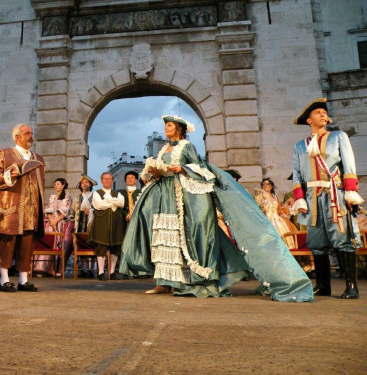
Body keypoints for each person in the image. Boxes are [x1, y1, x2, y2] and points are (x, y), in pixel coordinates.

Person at [120, 115, 313, 302]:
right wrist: (155, 171)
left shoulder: (187, 146)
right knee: (163, 238)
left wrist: (182, 169)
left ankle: (188, 281)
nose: (166, 129)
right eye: (166, 126)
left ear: (178, 128)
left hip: (182, 195)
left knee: (183, 236)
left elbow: (200, 168)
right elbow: (160, 169)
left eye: (169, 126)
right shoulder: (164, 149)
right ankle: (163, 281)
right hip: (164, 195)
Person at [291, 98, 363, 299]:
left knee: (342, 239)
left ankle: (351, 286)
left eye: (324, 112)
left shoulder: (338, 136)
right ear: (309, 121)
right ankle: (323, 285)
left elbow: (349, 166)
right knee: (316, 242)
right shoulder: (299, 146)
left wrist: (350, 191)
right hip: (312, 198)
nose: (323, 114)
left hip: (335, 195)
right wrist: (300, 198)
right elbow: (297, 175)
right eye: (318, 113)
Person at [0, 124, 45, 292]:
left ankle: (23, 280)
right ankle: (4, 280)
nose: (31, 136)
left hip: (31, 209)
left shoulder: (39, 158)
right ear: (17, 137)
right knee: (7, 243)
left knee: (27, 244)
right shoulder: (5, 153)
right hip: (11, 207)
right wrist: (9, 174)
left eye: (32, 133)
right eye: (27, 133)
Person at [33, 177, 74, 277]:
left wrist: (56, 220)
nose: (56, 186)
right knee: (48, 244)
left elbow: (65, 212)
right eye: (55, 184)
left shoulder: (67, 198)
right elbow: (49, 210)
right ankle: (44, 268)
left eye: (58, 184)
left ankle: (57, 269)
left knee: (60, 245)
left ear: (63, 185)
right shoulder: (52, 197)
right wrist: (51, 220)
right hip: (51, 224)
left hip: (61, 224)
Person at [88, 172, 125, 281]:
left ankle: (112, 272)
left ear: (112, 181)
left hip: (116, 223)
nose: (107, 180)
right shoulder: (96, 193)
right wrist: (113, 202)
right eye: (105, 179)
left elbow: (121, 203)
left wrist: (108, 201)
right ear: (101, 181)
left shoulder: (117, 193)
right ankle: (100, 272)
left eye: (109, 179)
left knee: (115, 247)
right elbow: (99, 205)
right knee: (101, 247)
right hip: (101, 223)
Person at [255, 178, 297, 249]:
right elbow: (257, 209)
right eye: (263, 184)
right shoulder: (259, 197)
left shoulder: (275, 198)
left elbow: (279, 210)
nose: (265, 185)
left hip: (278, 220)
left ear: (271, 186)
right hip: (267, 220)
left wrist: (287, 203)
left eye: (267, 184)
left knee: (284, 233)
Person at [72, 175, 97, 278]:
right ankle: (83, 268)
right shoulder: (77, 198)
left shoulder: (95, 196)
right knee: (81, 244)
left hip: (91, 224)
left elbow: (98, 208)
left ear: (90, 184)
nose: (85, 184)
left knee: (91, 244)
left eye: (87, 182)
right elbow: (73, 210)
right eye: (83, 183)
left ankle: (91, 269)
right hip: (80, 223)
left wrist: (91, 211)